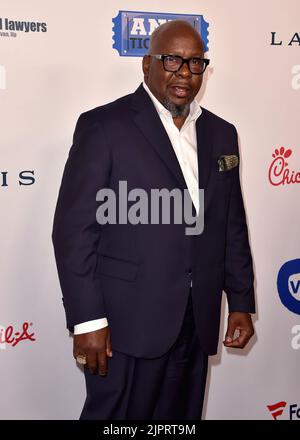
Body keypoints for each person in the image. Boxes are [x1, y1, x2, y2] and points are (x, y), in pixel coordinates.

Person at [52, 20, 255, 420]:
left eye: (195, 63)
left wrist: (241, 301)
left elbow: (230, 224)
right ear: (147, 65)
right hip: (125, 324)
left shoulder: (222, 134)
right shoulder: (103, 126)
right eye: (171, 60)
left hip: (196, 322)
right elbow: (73, 232)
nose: (184, 72)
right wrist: (87, 319)